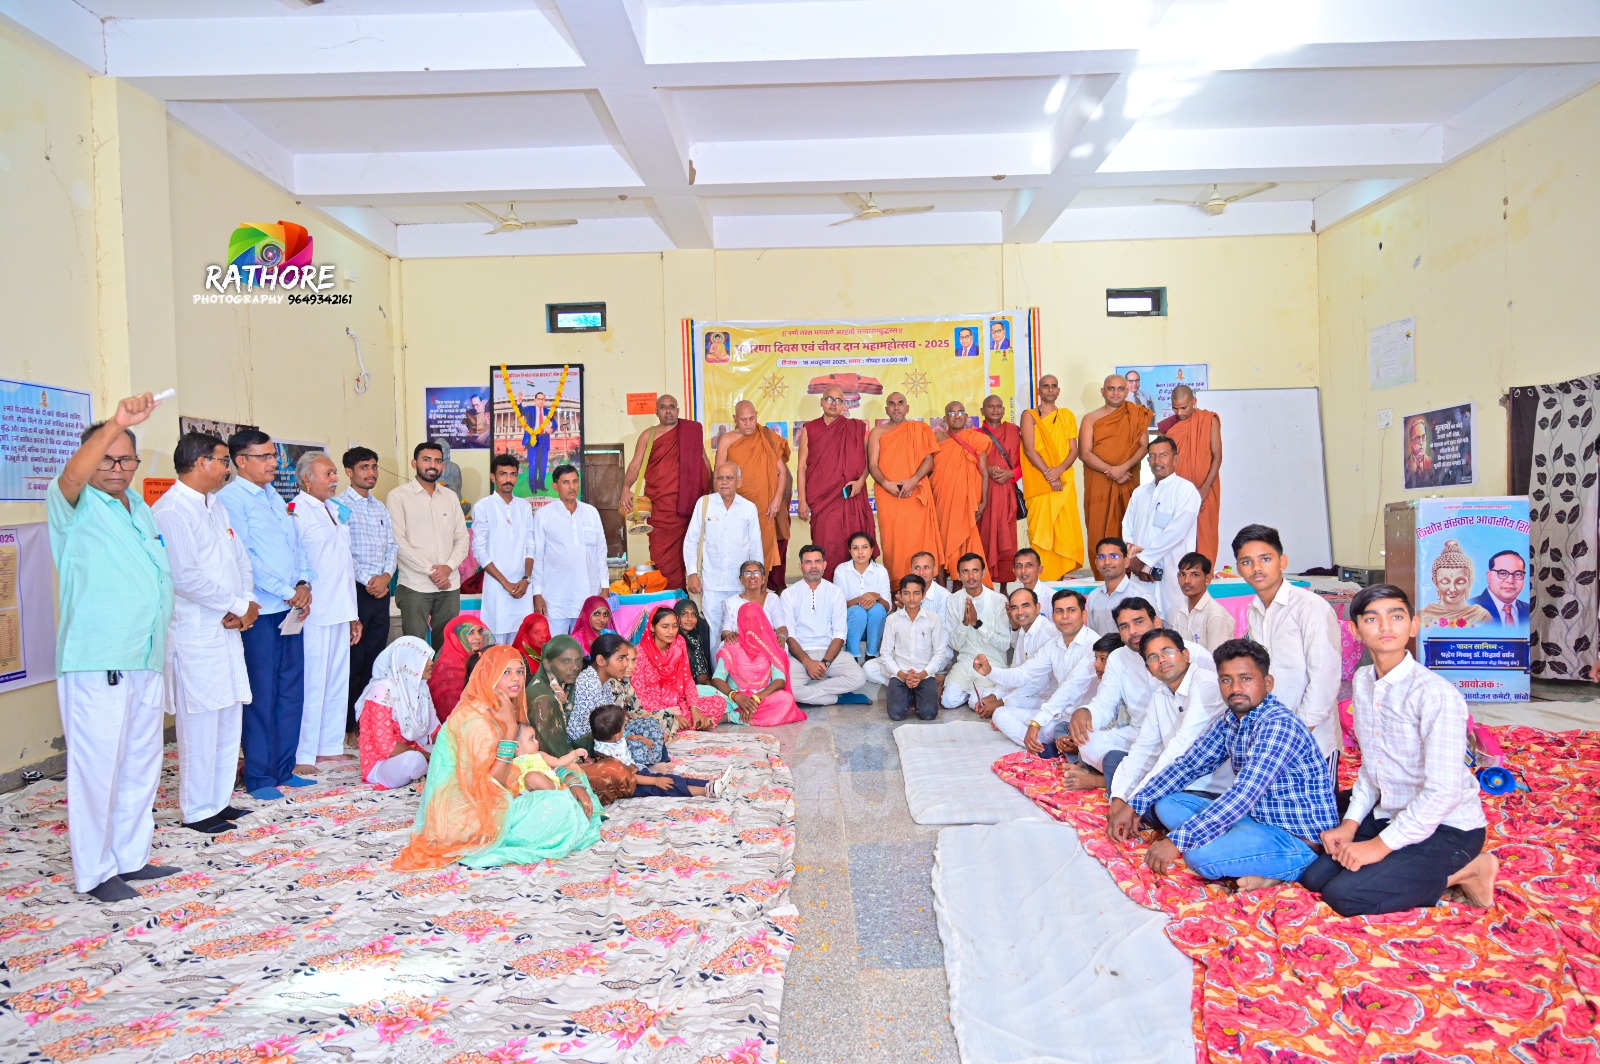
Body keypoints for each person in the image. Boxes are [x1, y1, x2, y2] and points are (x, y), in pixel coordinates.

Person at [1298, 585, 1498, 913]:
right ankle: (1396, 862)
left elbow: (1443, 793)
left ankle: (1471, 869)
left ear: (1413, 625)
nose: (1385, 627)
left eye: (1396, 617)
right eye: (1372, 619)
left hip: (1448, 827)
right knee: (1315, 878)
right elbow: (1372, 767)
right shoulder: (1364, 681)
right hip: (1391, 812)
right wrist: (1350, 824)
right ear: (1355, 630)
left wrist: (1379, 847)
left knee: (1345, 895)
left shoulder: (1434, 694)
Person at [49, 397, 179, 901]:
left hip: (144, 656)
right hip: (97, 658)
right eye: (107, 457)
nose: (118, 467)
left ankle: (130, 856)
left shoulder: (139, 508)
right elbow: (72, 475)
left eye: (127, 459)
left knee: (140, 762)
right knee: (96, 769)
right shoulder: (73, 504)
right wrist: (117, 423)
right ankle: (95, 872)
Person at [1128, 639, 1339, 888]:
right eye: (1226, 680)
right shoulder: (1230, 720)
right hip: (1255, 820)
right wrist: (1135, 805)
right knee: (1167, 804)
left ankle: (1288, 867)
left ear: (1267, 683)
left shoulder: (1278, 724)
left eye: (1246, 679)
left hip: (1296, 839)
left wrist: (1177, 842)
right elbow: (1188, 765)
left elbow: (1243, 794)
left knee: (1200, 858)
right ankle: (1239, 851)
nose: (1235, 688)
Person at [392, 646, 601, 871]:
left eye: (519, 672)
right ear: (489, 676)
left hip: (502, 793)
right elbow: (491, 785)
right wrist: (510, 731)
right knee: (561, 805)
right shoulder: (475, 720)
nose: (516, 679)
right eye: (506, 672)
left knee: (575, 776)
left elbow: (531, 759)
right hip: (469, 814)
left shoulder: (502, 706)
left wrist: (572, 782)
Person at [155, 432, 256, 835]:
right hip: (195, 633)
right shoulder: (172, 510)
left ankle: (219, 801)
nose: (227, 468)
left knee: (229, 716)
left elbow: (240, 560)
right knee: (200, 724)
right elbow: (185, 578)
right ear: (200, 463)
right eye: (223, 460)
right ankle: (197, 810)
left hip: (227, 627)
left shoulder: (216, 506)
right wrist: (237, 605)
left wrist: (246, 603)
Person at [219, 429, 315, 802]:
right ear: (241, 461)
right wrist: (287, 592)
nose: (274, 463)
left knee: (291, 691)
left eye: (274, 456)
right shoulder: (230, 500)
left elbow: (296, 546)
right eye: (265, 457)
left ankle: (283, 768)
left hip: (291, 609)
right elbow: (245, 558)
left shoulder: (274, 496)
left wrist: (303, 583)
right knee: (262, 694)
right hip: (261, 612)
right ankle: (259, 774)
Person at [1062, 598, 1213, 792]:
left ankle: (1104, 780)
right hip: (1140, 736)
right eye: (1124, 626)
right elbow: (1104, 705)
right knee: (1088, 742)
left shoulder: (1192, 653)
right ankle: (1126, 775)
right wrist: (1086, 713)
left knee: (1176, 757)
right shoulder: (1118, 657)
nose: (1132, 631)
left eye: (1139, 621)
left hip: (1188, 737)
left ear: (1156, 622)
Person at [1104, 629, 1231, 842]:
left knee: (1165, 806)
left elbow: (1180, 752)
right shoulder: (1160, 695)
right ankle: (1149, 817)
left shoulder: (1206, 685)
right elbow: (1144, 748)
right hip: (1171, 778)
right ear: (1149, 669)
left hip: (1206, 788)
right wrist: (1118, 799)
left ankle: (1160, 820)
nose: (1162, 659)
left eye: (1167, 651)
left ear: (1185, 654)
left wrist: (1133, 804)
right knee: (1113, 759)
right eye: (1153, 657)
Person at [1235, 524, 1343, 763]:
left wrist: (1296, 735)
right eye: (1247, 562)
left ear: (1282, 562)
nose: (1256, 568)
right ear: (1238, 569)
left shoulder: (1310, 607)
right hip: (1272, 739)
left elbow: (1325, 679)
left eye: (1265, 559)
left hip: (1312, 742)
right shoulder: (1254, 610)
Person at [291, 452, 361, 777]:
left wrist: (353, 614)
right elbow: (295, 560)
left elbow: (346, 566)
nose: (335, 479)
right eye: (328, 473)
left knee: (336, 680)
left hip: (340, 608)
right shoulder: (296, 511)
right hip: (314, 610)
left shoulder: (334, 510)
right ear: (307, 478)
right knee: (313, 682)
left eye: (335, 473)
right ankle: (304, 751)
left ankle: (329, 746)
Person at [975, 589, 1098, 751]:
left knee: (1085, 746)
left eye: (1071, 610)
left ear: (1084, 615)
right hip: (1057, 712)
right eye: (1059, 611)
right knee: (1000, 714)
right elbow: (1023, 673)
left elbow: (1069, 690)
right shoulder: (1054, 645)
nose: (1065, 616)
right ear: (1053, 615)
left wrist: (1037, 722)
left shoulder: (1094, 647)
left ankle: (1052, 744)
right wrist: (990, 671)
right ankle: (1045, 745)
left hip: (1083, 719)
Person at [622, 394, 711, 591]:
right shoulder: (648, 435)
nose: (668, 410)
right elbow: (635, 465)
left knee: (691, 554)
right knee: (662, 557)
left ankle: (688, 603)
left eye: (672, 406)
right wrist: (626, 488)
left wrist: (711, 493)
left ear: (678, 410)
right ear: (657, 412)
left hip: (690, 508)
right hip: (661, 511)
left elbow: (704, 462)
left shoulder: (691, 432)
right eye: (663, 407)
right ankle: (667, 600)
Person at [387, 441, 469, 650]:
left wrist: (447, 568)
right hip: (415, 585)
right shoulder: (398, 496)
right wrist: (433, 572)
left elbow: (462, 537)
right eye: (426, 460)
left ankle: (443, 675)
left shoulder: (450, 497)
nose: (433, 465)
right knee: (414, 647)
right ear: (414, 463)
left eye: (438, 461)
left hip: (449, 585)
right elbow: (398, 541)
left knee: (448, 648)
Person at [339, 446, 396, 732]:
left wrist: (386, 576)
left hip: (381, 591)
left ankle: (368, 722)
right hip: (356, 592)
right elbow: (343, 552)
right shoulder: (339, 507)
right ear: (349, 472)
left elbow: (392, 546)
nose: (371, 472)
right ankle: (349, 725)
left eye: (374, 466)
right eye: (364, 467)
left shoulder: (379, 506)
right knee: (354, 660)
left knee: (375, 657)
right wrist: (369, 581)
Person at [683, 462, 764, 655]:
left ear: (739, 482)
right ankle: (718, 672)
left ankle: (738, 672)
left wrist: (757, 581)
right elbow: (691, 542)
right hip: (712, 584)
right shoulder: (704, 504)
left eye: (729, 478)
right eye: (720, 478)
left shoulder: (749, 508)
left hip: (740, 585)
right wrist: (692, 574)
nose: (724, 482)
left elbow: (755, 546)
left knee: (740, 631)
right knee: (714, 634)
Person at [796, 385, 877, 574]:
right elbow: (801, 466)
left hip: (850, 497)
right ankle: (827, 587)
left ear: (844, 405)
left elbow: (869, 462)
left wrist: (860, 482)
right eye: (829, 399)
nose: (834, 404)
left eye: (839, 400)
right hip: (822, 500)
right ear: (822, 402)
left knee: (854, 546)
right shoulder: (810, 428)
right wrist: (802, 500)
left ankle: (856, 587)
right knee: (826, 545)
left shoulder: (856, 428)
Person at [715, 400, 793, 591]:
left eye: (752, 418)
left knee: (762, 554)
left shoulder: (766, 436)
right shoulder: (727, 440)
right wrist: (721, 507)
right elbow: (718, 475)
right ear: (735, 419)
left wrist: (776, 500)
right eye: (743, 420)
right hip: (736, 507)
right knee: (737, 552)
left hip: (765, 509)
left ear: (756, 415)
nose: (749, 423)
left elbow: (782, 472)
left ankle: (760, 595)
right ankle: (737, 595)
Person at [1122, 435, 1201, 620]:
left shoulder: (1185, 490)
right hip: (1141, 576)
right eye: (1152, 456)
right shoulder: (1140, 492)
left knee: (1174, 625)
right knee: (1141, 622)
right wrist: (1136, 560)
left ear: (1175, 459)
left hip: (1172, 574)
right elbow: (1127, 528)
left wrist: (1146, 560)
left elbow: (1177, 532)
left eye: (1163, 455)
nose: (1157, 461)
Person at [1080, 375, 1152, 580]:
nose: (1116, 393)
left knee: (1129, 529)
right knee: (1098, 529)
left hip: (1128, 480)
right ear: (1103, 391)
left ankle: (1130, 579)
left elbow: (1143, 446)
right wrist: (1111, 470)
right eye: (1111, 388)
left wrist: (1122, 468)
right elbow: (1084, 452)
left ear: (1127, 391)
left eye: (1121, 389)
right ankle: (1102, 579)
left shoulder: (1136, 415)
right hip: (1099, 483)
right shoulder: (1090, 418)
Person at [868, 392, 942, 585]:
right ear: (886, 409)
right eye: (892, 404)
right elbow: (872, 465)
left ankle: (923, 585)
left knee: (919, 541)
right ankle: (896, 587)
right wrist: (886, 484)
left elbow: (929, 460)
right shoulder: (877, 432)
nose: (896, 407)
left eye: (900, 403)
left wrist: (913, 480)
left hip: (915, 493)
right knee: (893, 542)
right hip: (888, 495)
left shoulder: (920, 429)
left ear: (907, 407)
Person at [782, 545, 871, 706]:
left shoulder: (835, 592)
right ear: (801, 566)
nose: (813, 566)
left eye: (817, 561)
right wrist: (808, 663)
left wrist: (825, 663)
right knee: (786, 687)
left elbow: (839, 634)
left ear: (824, 565)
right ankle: (838, 698)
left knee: (859, 677)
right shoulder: (789, 594)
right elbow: (789, 635)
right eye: (808, 562)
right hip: (800, 655)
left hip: (830, 654)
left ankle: (808, 696)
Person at [570, 633, 676, 767]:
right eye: (621, 658)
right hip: (590, 744)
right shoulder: (588, 684)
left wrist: (628, 735)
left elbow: (613, 720)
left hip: (608, 734)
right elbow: (585, 732)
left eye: (627, 658)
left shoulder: (604, 681)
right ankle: (651, 767)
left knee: (649, 723)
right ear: (601, 660)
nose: (626, 664)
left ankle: (660, 761)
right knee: (635, 746)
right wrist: (623, 739)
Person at [588, 705, 731, 799]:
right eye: (623, 728)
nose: (625, 729)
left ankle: (712, 783)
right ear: (615, 735)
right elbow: (630, 777)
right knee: (667, 785)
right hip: (631, 785)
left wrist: (637, 737)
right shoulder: (610, 758)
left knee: (674, 779)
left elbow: (624, 736)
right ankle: (707, 791)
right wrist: (656, 781)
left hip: (636, 771)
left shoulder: (606, 738)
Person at [532, 464, 609, 636]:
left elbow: (601, 553)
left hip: (588, 594)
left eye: (575, 481)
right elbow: (538, 557)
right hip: (555, 597)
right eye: (566, 482)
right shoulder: (544, 515)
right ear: (555, 486)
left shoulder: (591, 513)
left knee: (587, 646)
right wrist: (537, 593)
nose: (572, 487)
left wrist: (605, 587)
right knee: (556, 647)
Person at [1020, 375, 1084, 580]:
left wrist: (1059, 471)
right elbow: (1029, 450)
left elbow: (1074, 450)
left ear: (1058, 391)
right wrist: (1050, 475)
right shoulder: (1029, 415)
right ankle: (1041, 579)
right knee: (1041, 532)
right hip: (1040, 481)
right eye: (1046, 386)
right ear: (1039, 391)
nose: (1050, 389)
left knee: (1064, 531)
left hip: (1063, 481)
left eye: (1054, 386)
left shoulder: (1067, 415)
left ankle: (1059, 580)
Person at [355, 636, 437, 790]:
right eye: (424, 658)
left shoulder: (420, 687)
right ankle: (428, 768)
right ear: (408, 661)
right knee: (414, 760)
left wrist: (449, 745)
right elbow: (387, 747)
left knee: (452, 748)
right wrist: (430, 757)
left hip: (416, 750)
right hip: (380, 764)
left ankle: (427, 769)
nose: (431, 663)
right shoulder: (381, 690)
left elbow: (434, 729)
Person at [633, 605, 732, 731]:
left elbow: (688, 681)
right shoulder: (639, 653)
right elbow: (639, 695)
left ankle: (682, 724)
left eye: (675, 626)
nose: (671, 631)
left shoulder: (679, 644)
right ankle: (687, 724)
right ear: (652, 627)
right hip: (653, 708)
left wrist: (695, 710)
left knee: (719, 702)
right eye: (665, 627)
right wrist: (670, 715)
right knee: (644, 719)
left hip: (678, 703)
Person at [472, 454, 536, 645]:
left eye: (513, 474)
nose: (508, 479)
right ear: (493, 477)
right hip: (497, 589)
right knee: (496, 646)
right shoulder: (483, 507)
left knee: (520, 643)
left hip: (523, 588)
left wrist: (526, 579)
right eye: (503, 474)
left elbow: (530, 545)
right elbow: (480, 551)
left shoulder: (524, 507)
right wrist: (505, 583)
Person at [970, 587, 1053, 735]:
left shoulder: (1048, 634)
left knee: (1005, 708)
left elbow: (1035, 682)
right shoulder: (1024, 631)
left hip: (1044, 696)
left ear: (1038, 607)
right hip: (1024, 688)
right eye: (1014, 608)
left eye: (1025, 605)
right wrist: (994, 696)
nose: (1020, 612)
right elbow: (1015, 669)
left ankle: (1036, 737)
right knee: (975, 699)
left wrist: (1000, 702)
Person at [713, 602, 806, 726]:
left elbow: (779, 681)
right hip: (733, 699)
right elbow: (717, 678)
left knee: (786, 699)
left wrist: (756, 699)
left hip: (762, 698)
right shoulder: (732, 644)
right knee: (700, 692)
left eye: (754, 619)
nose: (750, 624)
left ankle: (732, 717)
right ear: (739, 621)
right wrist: (736, 696)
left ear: (762, 620)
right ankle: (750, 715)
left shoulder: (770, 645)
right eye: (746, 620)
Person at [1158, 386, 1223, 563]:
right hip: (1176, 492)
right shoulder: (1167, 426)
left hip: (1205, 488)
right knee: (1175, 536)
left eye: (1183, 407)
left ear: (1194, 401)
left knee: (1205, 535)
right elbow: (1161, 461)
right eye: (1175, 408)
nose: (1179, 412)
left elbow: (1217, 456)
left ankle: (1204, 575)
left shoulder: (1209, 420)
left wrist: (1205, 488)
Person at [930, 400, 992, 579]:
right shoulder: (936, 439)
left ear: (966, 417)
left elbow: (984, 472)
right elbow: (929, 468)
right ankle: (942, 587)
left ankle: (961, 585)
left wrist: (984, 501)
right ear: (944, 419)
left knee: (965, 542)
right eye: (951, 413)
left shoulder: (976, 439)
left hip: (966, 501)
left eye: (960, 412)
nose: (956, 416)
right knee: (941, 542)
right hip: (942, 498)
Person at [941, 553, 1011, 711]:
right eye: (965, 571)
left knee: (976, 703)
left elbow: (1005, 644)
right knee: (948, 701)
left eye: (975, 571)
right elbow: (954, 644)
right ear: (959, 575)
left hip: (992, 663)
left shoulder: (999, 600)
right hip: (965, 663)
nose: (971, 576)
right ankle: (972, 692)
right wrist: (965, 624)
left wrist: (977, 624)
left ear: (983, 573)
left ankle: (975, 694)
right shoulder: (953, 600)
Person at [880, 575, 952, 721]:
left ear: (923, 595)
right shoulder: (892, 619)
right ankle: (909, 695)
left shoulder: (933, 619)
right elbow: (886, 653)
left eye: (916, 593)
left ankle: (917, 694)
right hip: (900, 674)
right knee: (896, 714)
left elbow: (939, 653)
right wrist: (902, 675)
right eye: (906, 593)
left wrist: (921, 675)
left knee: (929, 714)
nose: (911, 598)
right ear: (900, 595)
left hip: (924, 674)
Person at [976, 395, 1023, 584]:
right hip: (984, 494)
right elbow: (968, 463)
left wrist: (1011, 474)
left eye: (998, 406)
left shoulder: (1014, 431)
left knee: (1007, 539)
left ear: (1004, 410)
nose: (995, 410)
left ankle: (1004, 584)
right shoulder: (974, 434)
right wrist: (986, 469)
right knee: (984, 537)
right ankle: (985, 583)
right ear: (982, 411)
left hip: (1006, 495)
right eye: (990, 406)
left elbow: (1025, 462)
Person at [524, 634, 586, 757]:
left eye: (578, 660)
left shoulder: (558, 687)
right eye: (565, 661)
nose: (575, 667)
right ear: (547, 663)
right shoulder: (543, 699)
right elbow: (552, 751)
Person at [834, 531, 891, 661]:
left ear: (871, 550)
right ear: (850, 551)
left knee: (877, 609)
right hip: (852, 624)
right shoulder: (841, 570)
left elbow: (887, 607)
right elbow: (838, 607)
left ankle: (872, 654)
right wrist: (860, 600)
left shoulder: (880, 571)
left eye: (864, 547)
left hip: (874, 626)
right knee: (857, 611)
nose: (860, 552)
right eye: (855, 548)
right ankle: (852, 655)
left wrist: (876, 596)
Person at [1418, 539, 1494, 629]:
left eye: (1460, 582)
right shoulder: (1424, 615)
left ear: (1469, 582)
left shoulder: (1481, 616)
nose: (1452, 589)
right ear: (1435, 582)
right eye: (1445, 582)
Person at [428, 616, 490, 723]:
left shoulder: (477, 657)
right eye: (470, 633)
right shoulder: (450, 666)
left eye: (480, 631)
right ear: (455, 636)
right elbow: (454, 708)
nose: (478, 637)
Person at [1169, 552, 1235, 653]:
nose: (1186, 581)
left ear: (1207, 579)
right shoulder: (1181, 611)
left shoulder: (1216, 615)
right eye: (1182, 574)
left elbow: (1216, 659)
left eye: (1195, 575)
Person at [721, 559, 791, 647]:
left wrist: (782, 637)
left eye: (757, 573)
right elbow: (725, 631)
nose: (753, 576)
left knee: (780, 647)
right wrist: (729, 635)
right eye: (747, 573)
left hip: (767, 644)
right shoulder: (731, 602)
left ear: (763, 579)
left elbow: (781, 627)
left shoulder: (772, 599)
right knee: (726, 646)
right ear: (741, 579)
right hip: (740, 645)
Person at [1085, 537, 1135, 637]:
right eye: (1101, 557)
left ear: (1126, 562)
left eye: (1114, 556)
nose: (1107, 562)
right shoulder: (1093, 596)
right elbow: (1092, 636)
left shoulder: (1140, 595)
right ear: (1096, 563)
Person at [1472, 549, 1530, 626]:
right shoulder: (1468, 610)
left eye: (1518, 574)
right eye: (1502, 573)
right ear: (1489, 576)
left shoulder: (1530, 610)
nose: (1510, 580)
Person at [675, 599, 716, 686]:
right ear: (676, 616)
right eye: (684, 614)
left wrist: (708, 683)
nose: (689, 619)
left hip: (693, 686)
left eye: (693, 614)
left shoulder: (695, 638)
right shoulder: (671, 639)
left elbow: (700, 671)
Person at [519, 391, 553, 492]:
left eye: (543, 399)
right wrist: (519, 402)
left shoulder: (548, 411)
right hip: (533, 439)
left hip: (544, 440)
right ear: (535, 400)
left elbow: (554, 423)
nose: (541, 401)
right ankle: (533, 485)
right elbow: (521, 411)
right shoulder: (530, 409)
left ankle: (541, 484)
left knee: (543, 464)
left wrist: (552, 429)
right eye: (539, 399)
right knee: (533, 463)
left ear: (544, 400)